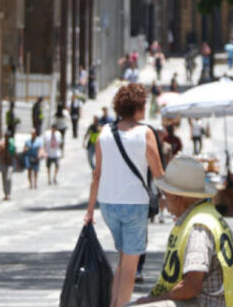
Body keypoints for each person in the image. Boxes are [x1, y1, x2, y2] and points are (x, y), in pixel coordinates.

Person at [84, 83, 164, 307]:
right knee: (130, 267)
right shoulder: (145, 133)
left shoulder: (105, 132)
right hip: (134, 205)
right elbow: (159, 174)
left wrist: (90, 210)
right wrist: (172, 201)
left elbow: (96, 174)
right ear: (137, 107)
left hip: (108, 205)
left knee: (122, 260)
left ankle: (114, 304)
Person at [132, 156, 233, 307]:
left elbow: (191, 287)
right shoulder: (207, 215)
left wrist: (155, 300)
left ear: (177, 197)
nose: (164, 200)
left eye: (165, 194)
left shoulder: (199, 228)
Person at [0, 130, 15, 201]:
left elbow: (14, 153)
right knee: (4, 179)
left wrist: (18, 163)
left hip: (10, 164)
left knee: (8, 179)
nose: (7, 137)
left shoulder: (12, 143)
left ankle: (8, 193)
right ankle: (6, 194)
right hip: (3, 163)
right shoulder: (1, 143)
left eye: (8, 136)